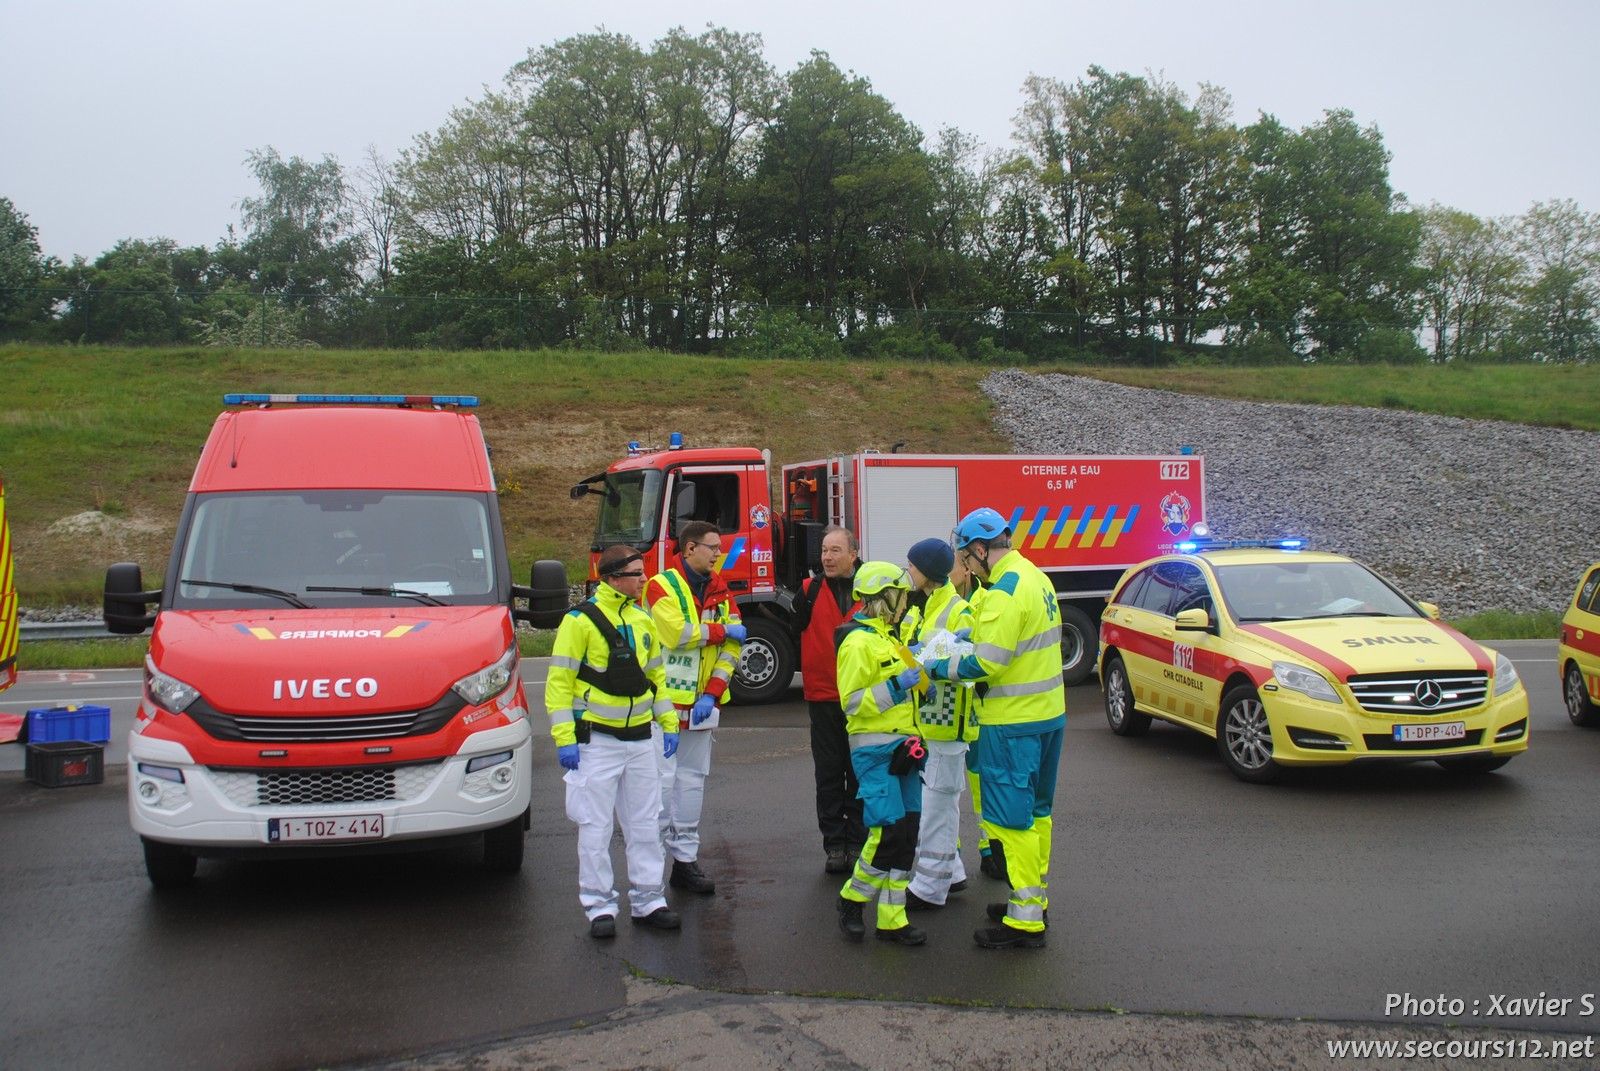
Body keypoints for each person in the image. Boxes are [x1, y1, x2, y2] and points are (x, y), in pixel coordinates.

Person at [924, 507, 1065, 950]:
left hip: (1012, 722)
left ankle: (1024, 920)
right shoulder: (1035, 577)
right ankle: (1033, 900)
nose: (965, 566)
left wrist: (937, 664)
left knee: (1011, 820)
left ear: (982, 550)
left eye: (966, 558)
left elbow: (987, 662)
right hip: (1047, 716)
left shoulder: (1004, 591)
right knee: (1038, 813)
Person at [545, 545, 682, 939]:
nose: (644, 579)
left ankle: (648, 899)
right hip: (597, 743)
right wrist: (564, 737)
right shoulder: (580, 622)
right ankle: (599, 905)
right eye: (637, 573)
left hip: (641, 739)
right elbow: (559, 683)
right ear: (612, 577)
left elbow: (656, 678)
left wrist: (668, 721)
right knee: (595, 827)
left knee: (644, 824)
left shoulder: (643, 619)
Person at [643, 520, 745, 896]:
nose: (719, 553)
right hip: (663, 706)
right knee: (659, 788)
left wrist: (713, 693)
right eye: (712, 547)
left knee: (690, 784)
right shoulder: (660, 585)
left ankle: (685, 863)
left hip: (701, 706)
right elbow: (676, 634)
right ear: (689, 549)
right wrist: (719, 633)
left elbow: (735, 647)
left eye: (719, 548)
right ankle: (649, 874)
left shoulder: (720, 589)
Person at [835, 562, 927, 946]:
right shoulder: (857, 643)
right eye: (901, 595)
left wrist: (922, 672)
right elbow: (852, 703)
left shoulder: (890, 638)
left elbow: (918, 687)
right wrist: (897, 684)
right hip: (874, 751)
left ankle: (893, 920)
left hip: (905, 746)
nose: (905, 602)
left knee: (907, 834)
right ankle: (852, 900)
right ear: (883, 597)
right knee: (888, 831)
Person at [899, 538, 977, 912]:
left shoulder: (958, 610)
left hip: (948, 723)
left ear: (927, 571)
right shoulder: (927, 606)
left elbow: (968, 664)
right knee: (941, 802)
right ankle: (953, 872)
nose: (908, 571)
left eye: (912, 565)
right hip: (932, 723)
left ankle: (929, 886)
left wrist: (932, 657)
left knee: (936, 806)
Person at [791, 524, 867, 873]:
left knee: (861, 772)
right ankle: (835, 846)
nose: (827, 557)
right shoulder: (807, 591)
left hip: (863, 699)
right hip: (822, 698)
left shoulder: (874, 590)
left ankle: (858, 840)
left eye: (835, 550)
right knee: (829, 773)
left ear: (853, 554)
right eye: (824, 550)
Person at [951, 551, 1003, 884]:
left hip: (978, 709)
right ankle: (950, 854)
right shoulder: (925, 606)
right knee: (946, 789)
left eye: (953, 564)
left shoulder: (986, 600)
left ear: (967, 569)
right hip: (946, 713)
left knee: (982, 783)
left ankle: (989, 848)